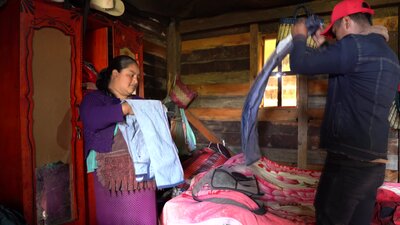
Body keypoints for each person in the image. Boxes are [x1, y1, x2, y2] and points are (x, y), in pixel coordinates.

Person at [290, 1, 400, 224]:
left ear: (347, 22)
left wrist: (299, 36)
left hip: (348, 164)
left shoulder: (354, 47)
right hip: (373, 165)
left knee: (328, 217)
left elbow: (299, 63)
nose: (337, 38)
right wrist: (321, 41)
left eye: (337, 32)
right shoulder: (389, 56)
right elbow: (344, 63)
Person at [80, 55, 157, 225]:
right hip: (111, 176)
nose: (136, 80)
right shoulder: (95, 98)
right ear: (115, 74)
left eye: (138, 77)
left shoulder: (139, 102)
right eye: (131, 74)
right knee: (117, 217)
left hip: (143, 172)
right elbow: (91, 119)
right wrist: (123, 109)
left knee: (145, 217)